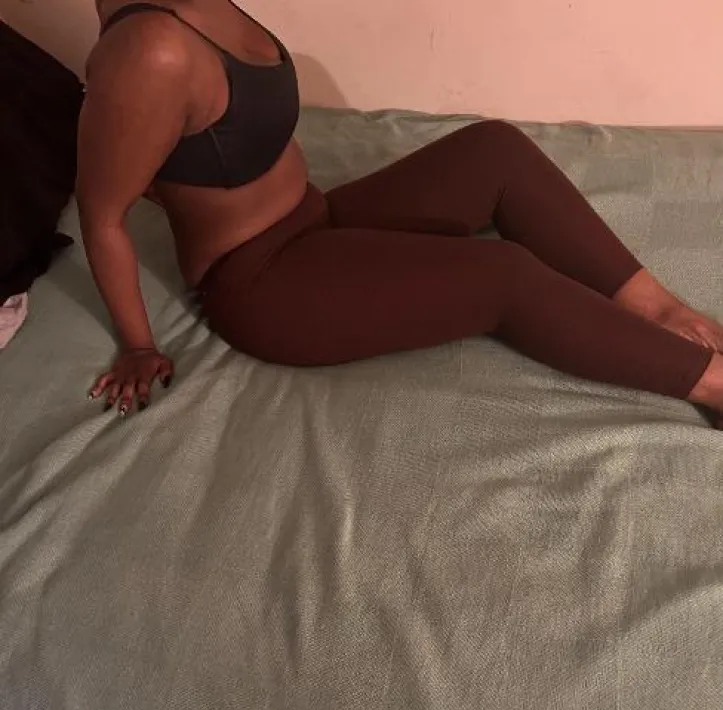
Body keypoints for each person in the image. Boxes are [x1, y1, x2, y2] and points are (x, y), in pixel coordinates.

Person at [81, 0, 723, 426]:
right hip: (264, 282)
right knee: (501, 273)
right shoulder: (150, 49)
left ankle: (662, 312)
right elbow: (102, 213)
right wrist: (138, 346)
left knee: (493, 151)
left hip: (313, 218)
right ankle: (712, 383)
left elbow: (161, 135)